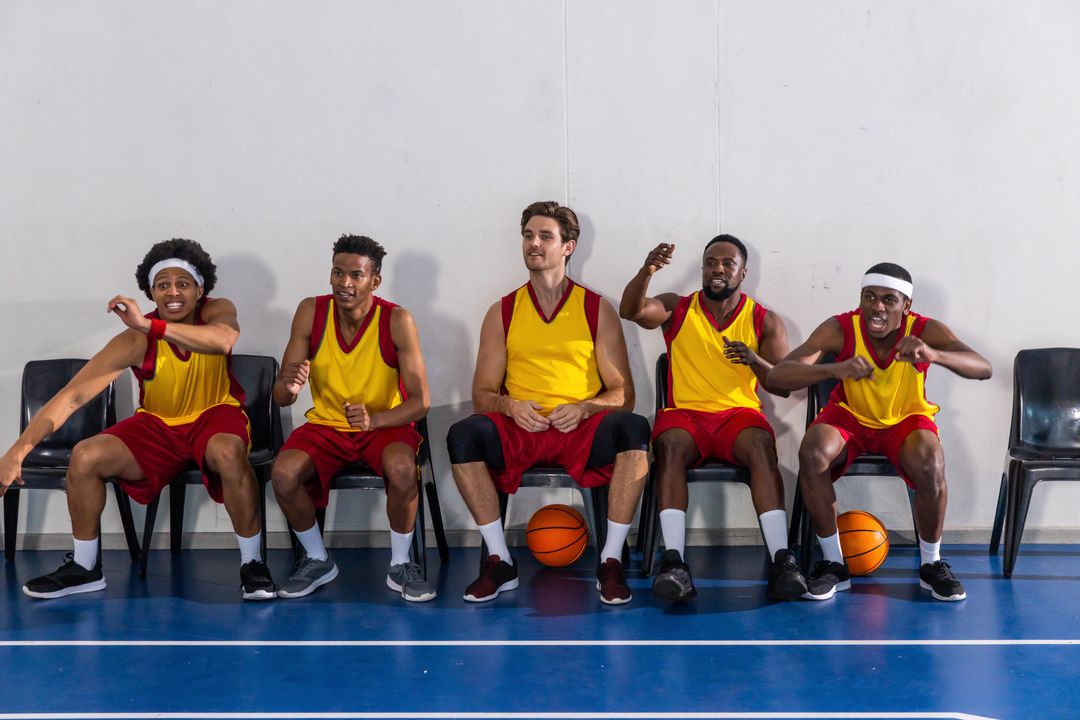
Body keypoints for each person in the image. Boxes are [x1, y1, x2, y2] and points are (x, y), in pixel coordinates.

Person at [0, 238, 275, 600]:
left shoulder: (216, 310)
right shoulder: (136, 339)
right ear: (151, 292)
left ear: (199, 290)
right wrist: (17, 452)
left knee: (227, 452)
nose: (173, 292)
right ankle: (85, 567)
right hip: (158, 425)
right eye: (163, 285)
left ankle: (252, 565)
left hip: (215, 415)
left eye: (182, 284)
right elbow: (72, 396)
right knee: (85, 456)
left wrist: (151, 328)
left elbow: (222, 341)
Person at [446, 201, 650, 605]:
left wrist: (586, 407)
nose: (533, 243)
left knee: (635, 429)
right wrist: (509, 406)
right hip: (522, 426)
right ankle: (499, 560)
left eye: (544, 236)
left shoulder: (596, 308)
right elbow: (482, 393)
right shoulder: (502, 311)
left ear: (568, 247)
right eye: (527, 235)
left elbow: (623, 395)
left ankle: (609, 561)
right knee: (462, 434)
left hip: (580, 427)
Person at [769, 263, 991, 602]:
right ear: (860, 299)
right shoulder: (841, 327)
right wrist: (835, 367)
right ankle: (834, 563)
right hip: (850, 418)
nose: (878, 306)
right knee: (812, 451)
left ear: (906, 306)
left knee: (931, 460)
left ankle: (931, 565)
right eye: (870, 297)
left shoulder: (923, 330)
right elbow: (778, 376)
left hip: (905, 420)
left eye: (889, 299)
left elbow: (983, 369)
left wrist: (933, 354)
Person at [619, 235, 808, 602]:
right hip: (685, 416)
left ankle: (781, 560)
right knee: (669, 445)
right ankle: (674, 562)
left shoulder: (763, 320)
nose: (718, 269)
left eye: (727, 263)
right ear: (703, 268)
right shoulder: (678, 307)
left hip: (737, 416)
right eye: (711, 262)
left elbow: (783, 386)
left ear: (743, 272)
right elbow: (632, 310)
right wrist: (648, 270)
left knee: (761, 444)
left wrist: (755, 359)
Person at [270, 235, 433, 601]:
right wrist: (290, 387)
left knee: (404, 469)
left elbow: (421, 401)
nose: (345, 283)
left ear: (374, 281)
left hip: (384, 426)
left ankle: (401, 564)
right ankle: (316, 559)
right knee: (282, 473)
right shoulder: (311, 311)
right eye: (337, 273)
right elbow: (281, 397)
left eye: (356, 276)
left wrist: (375, 420)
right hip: (327, 426)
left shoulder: (397, 320)